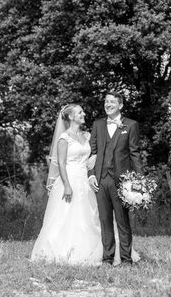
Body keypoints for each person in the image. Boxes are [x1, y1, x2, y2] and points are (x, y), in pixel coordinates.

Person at [30, 104, 102, 265]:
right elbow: (61, 164)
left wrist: (95, 158)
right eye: (80, 112)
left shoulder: (88, 136)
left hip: (85, 180)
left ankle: (89, 250)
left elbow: (95, 153)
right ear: (71, 117)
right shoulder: (64, 138)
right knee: (66, 216)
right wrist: (67, 186)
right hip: (69, 179)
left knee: (88, 215)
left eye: (83, 111)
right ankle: (61, 252)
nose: (84, 114)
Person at [88, 91, 144, 266]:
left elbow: (134, 154)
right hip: (100, 179)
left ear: (120, 105)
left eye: (112, 102)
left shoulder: (131, 125)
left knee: (122, 220)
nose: (108, 104)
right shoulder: (97, 125)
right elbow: (93, 153)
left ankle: (126, 260)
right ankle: (107, 259)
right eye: (106, 101)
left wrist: (139, 181)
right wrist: (90, 175)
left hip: (121, 181)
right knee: (105, 221)